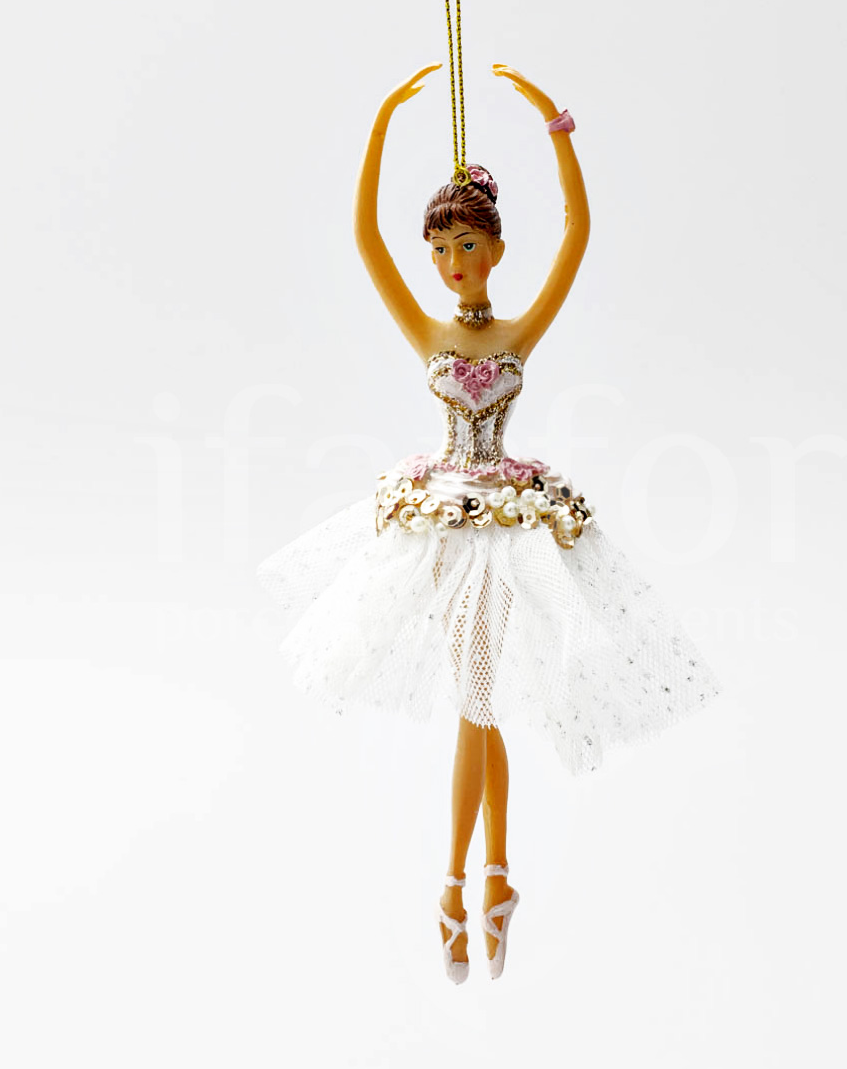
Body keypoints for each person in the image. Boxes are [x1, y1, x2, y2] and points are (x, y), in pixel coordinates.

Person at [255, 64, 723, 983]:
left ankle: (460, 886)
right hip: (444, 520)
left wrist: (557, 127)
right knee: (480, 702)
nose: (450, 265)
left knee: (479, 701)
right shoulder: (429, 335)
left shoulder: (515, 337)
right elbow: (364, 240)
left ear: (495, 251)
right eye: (439, 251)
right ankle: (490, 880)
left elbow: (578, 235)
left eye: (465, 246)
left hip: (506, 523)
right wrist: (382, 123)